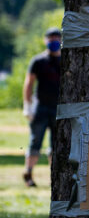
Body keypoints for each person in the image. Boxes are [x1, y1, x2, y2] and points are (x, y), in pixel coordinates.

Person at [22, 28, 61, 187]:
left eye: (56, 38)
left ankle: (55, 179)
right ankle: (28, 174)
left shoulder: (67, 59)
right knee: (35, 142)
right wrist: (27, 105)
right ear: (45, 40)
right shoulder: (38, 61)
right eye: (51, 38)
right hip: (41, 108)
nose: (54, 41)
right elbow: (29, 83)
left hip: (59, 109)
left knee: (56, 146)